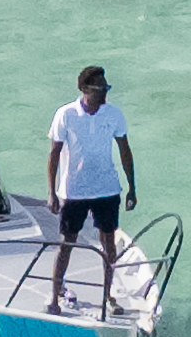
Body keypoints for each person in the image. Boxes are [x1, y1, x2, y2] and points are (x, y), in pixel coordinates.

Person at [39, 67, 134, 299]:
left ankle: (108, 295)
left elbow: (125, 151)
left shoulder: (114, 114)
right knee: (67, 243)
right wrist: (51, 193)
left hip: (107, 189)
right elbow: (54, 155)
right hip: (75, 192)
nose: (104, 94)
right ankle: (55, 295)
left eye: (106, 88)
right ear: (84, 90)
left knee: (108, 243)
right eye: (99, 89)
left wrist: (132, 188)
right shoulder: (66, 114)